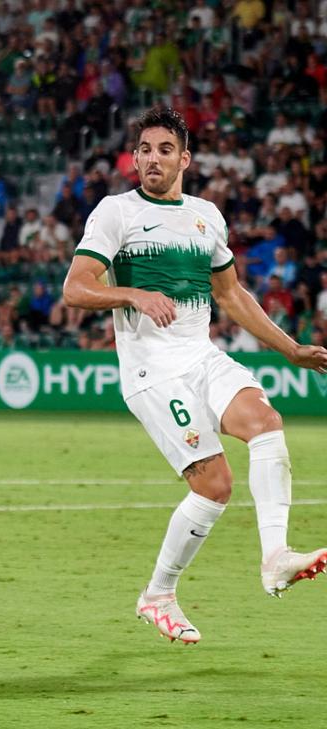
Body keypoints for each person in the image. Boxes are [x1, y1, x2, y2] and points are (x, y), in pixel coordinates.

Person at [62, 106, 327, 644]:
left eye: (164, 149)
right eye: (144, 150)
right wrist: (131, 291)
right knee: (215, 484)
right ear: (134, 158)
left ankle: (275, 556)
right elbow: (76, 287)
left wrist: (290, 349)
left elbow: (231, 295)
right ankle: (158, 594)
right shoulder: (116, 212)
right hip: (150, 371)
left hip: (200, 357)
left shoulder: (207, 216)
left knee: (266, 422)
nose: (152, 159)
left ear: (185, 158)